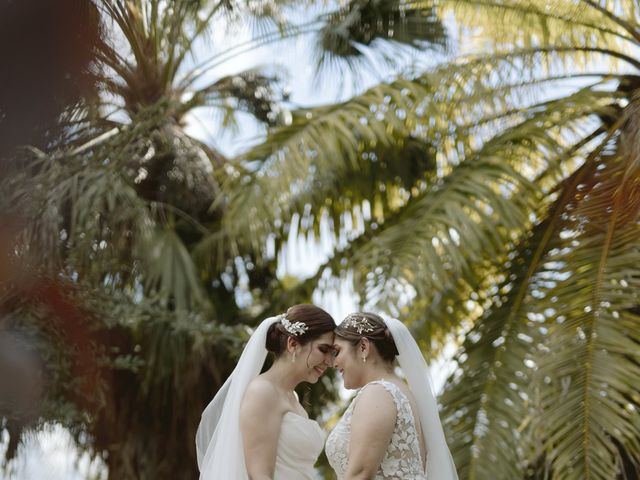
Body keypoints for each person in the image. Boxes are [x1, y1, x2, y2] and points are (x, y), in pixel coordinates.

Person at [196, 304, 336, 480]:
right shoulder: (263, 392)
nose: (329, 362)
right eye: (323, 350)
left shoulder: (292, 398)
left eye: (332, 353)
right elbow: (260, 475)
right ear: (293, 344)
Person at [326, 312, 458, 480]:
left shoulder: (377, 393)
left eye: (337, 351)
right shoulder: (402, 392)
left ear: (363, 347)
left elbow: (359, 475)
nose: (334, 363)